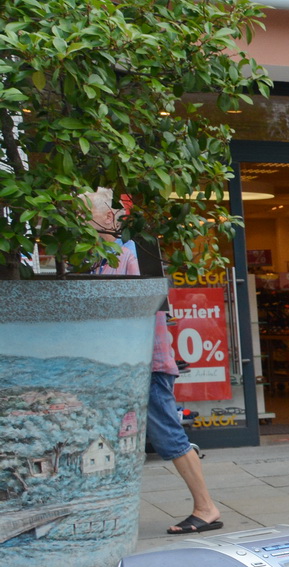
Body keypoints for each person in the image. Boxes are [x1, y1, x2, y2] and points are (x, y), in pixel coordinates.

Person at [85, 190, 223, 535]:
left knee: (167, 434)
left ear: (105, 219)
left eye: (81, 215)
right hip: (120, 364)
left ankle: (206, 508)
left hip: (146, 362)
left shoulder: (134, 253)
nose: (76, 223)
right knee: (114, 437)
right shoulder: (99, 257)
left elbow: (141, 309)